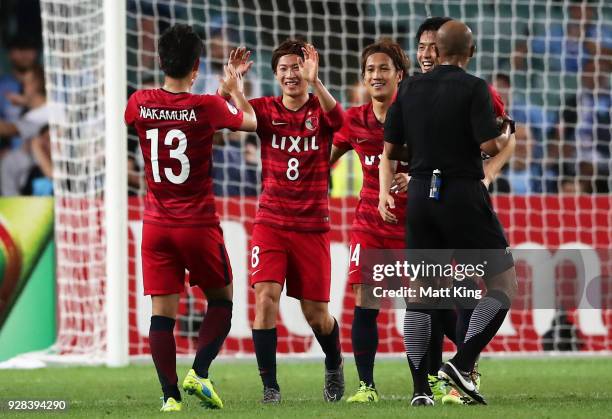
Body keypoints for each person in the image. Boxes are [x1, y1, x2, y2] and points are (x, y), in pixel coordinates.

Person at [383, 20, 517, 406]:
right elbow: (489, 144)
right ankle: (463, 362)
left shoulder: (407, 89)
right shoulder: (474, 87)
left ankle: (420, 390)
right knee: (503, 284)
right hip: (461, 192)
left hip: (421, 194)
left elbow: (392, 151)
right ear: (470, 53)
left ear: (436, 51)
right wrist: (505, 136)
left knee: (422, 293)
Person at [124, 24, 257, 412]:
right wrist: (234, 91)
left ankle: (169, 398)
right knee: (222, 300)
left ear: (160, 60)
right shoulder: (208, 107)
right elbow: (249, 123)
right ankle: (199, 371)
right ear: (197, 67)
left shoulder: (138, 101)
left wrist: (214, 98)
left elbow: (175, 118)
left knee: (161, 315)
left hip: (156, 226)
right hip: (197, 225)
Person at [220, 41, 345, 404]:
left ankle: (334, 361)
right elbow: (224, 116)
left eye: (297, 68)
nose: (291, 75)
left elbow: (340, 123)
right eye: (284, 69)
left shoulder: (320, 111)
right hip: (271, 223)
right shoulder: (265, 110)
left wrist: (317, 83)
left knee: (317, 316)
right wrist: (230, 88)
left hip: (311, 226)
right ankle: (270, 389)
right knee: (265, 300)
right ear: (275, 75)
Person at [329, 38, 410, 403]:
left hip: (415, 223)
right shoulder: (354, 120)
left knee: (425, 303)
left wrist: (417, 175)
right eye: (370, 70)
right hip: (369, 219)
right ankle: (366, 386)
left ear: (400, 75)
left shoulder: (417, 116)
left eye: (383, 69)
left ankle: (452, 371)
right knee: (365, 297)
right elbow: (324, 158)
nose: (376, 76)